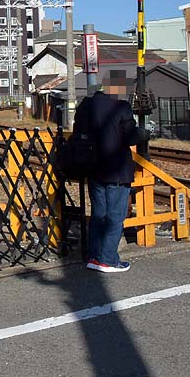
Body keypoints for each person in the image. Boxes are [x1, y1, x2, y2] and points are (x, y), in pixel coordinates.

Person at [73, 70, 145, 273]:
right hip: (117, 170)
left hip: (93, 168)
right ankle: (108, 260)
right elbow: (131, 138)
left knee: (98, 215)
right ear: (118, 87)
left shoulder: (86, 105)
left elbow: (77, 129)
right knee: (115, 217)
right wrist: (142, 134)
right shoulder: (121, 107)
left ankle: (94, 257)